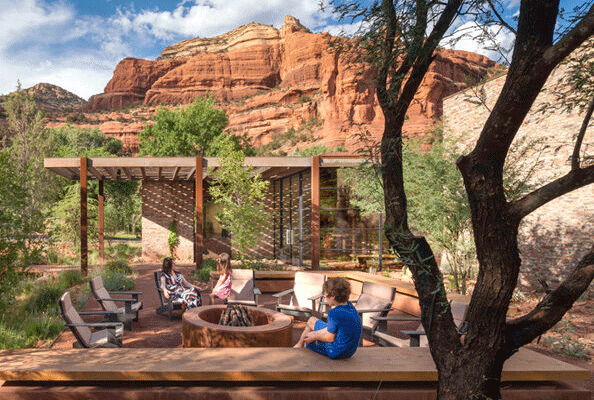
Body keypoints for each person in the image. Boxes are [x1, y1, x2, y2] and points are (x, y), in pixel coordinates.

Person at [294, 277, 361, 359]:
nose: (324, 297)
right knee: (312, 320)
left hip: (336, 352)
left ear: (332, 296)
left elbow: (330, 338)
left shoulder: (334, 313)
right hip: (350, 351)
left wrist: (314, 336)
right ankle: (299, 345)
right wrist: (315, 333)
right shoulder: (350, 307)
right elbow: (335, 329)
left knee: (309, 341)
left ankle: (300, 349)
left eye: (325, 295)